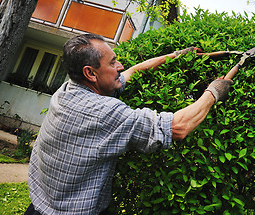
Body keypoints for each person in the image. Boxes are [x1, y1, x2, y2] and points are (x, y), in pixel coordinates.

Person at [25, 33, 232, 215]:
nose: (120, 66)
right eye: (112, 62)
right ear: (91, 73)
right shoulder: (104, 112)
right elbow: (177, 127)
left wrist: (175, 55)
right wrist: (214, 92)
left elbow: (133, 71)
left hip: (38, 205)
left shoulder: (68, 89)